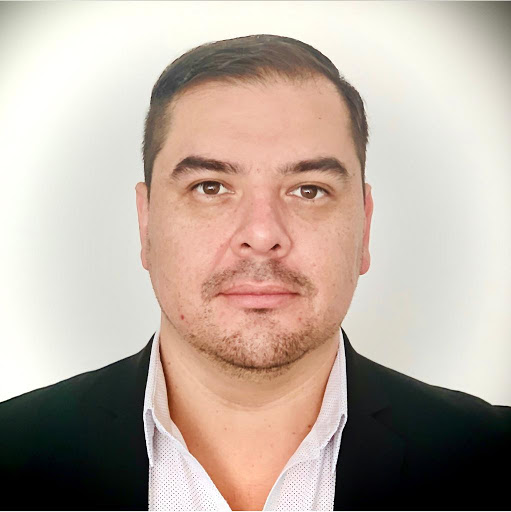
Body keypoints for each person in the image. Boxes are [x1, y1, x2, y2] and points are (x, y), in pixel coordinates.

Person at [0, 34, 509, 512]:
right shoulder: (13, 450)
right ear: (146, 222)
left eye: (309, 190)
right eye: (210, 187)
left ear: (365, 227)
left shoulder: (491, 454)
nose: (262, 235)